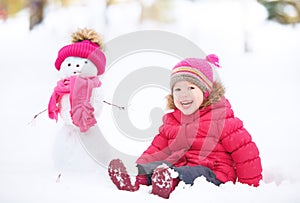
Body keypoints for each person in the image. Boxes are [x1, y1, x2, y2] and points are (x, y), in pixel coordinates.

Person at [108, 54, 263, 199]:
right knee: (155, 167)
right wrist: (143, 165)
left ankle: (167, 183)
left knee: (183, 172)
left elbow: (245, 152)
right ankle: (137, 183)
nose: (183, 94)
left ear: (206, 92)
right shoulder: (172, 120)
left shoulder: (221, 118)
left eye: (191, 88)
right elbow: (157, 148)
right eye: (178, 89)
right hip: (178, 168)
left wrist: (249, 187)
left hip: (214, 173)